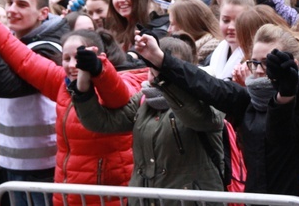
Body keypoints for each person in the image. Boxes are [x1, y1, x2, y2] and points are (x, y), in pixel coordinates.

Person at [133, 24, 299, 199]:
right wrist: (159, 59)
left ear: (294, 64)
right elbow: (205, 83)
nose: (259, 70)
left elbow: (279, 133)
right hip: (257, 199)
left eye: (268, 63)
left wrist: (289, 89)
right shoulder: (247, 101)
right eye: (254, 62)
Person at [0, 15, 145, 205]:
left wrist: (99, 70)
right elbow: (24, 58)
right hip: (68, 193)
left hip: (107, 196)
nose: (72, 65)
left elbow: (119, 95)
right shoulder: (61, 83)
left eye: (78, 57)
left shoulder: (116, 82)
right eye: (66, 58)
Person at [73, 35, 224, 203]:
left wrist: (166, 81)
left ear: (185, 70)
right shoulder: (144, 100)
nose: (153, 78)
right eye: (150, 70)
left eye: (160, 70)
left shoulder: (207, 95)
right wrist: (84, 80)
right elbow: (101, 122)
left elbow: (197, 118)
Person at [0, 0, 69, 206]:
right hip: (13, 163)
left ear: (43, 13)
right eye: (9, 2)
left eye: (22, 4)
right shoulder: (14, 40)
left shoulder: (50, 48)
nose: (12, 10)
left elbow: (5, 85)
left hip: (42, 168)